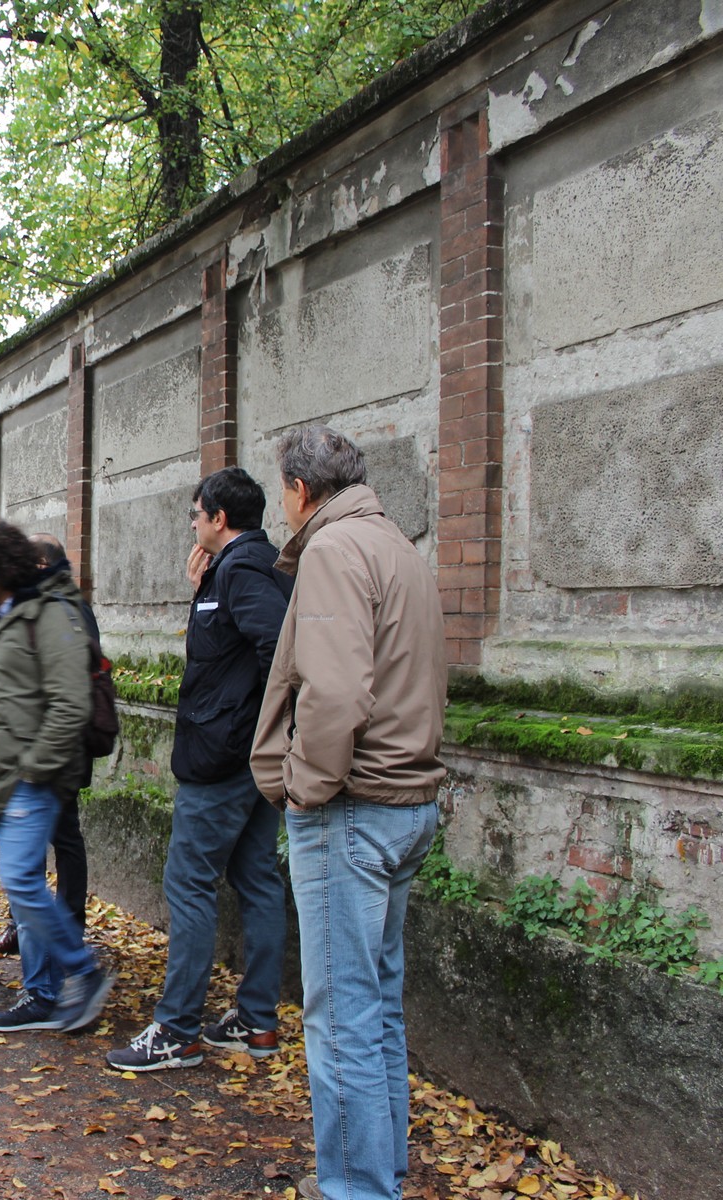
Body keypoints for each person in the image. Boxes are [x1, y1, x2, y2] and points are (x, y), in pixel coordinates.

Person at [249, 426, 446, 1200]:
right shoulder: (399, 547)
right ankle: (376, 1173)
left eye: (282, 496)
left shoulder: (333, 551)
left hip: (353, 809)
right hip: (403, 802)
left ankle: (359, 1187)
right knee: (376, 1007)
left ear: (299, 492)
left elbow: (334, 693)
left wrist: (304, 786)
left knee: (342, 1017)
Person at [107, 467, 293, 1072]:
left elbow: (275, 654)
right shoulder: (238, 568)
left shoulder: (245, 568)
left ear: (218, 518)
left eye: (195, 514)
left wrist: (246, 732)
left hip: (225, 760)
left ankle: (178, 1029)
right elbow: (229, 653)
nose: (191, 523)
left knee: (187, 883)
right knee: (257, 880)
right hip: (239, 754)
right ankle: (256, 1020)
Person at [0, 519, 114, 1034]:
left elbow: (70, 704)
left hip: (34, 777)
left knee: (19, 876)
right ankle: (42, 994)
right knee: (25, 887)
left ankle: (82, 972)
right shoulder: (1, 616)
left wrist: (32, 769)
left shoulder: (52, 615)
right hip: (2, 779)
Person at [0, 533, 94, 957]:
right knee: (26, 855)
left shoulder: (66, 610)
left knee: (62, 839)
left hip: (53, 752)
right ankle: (29, 929)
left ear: (41, 567)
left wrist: (37, 758)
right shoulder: (27, 608)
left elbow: (70, 692)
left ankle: (67, 934)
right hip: (29, 752)